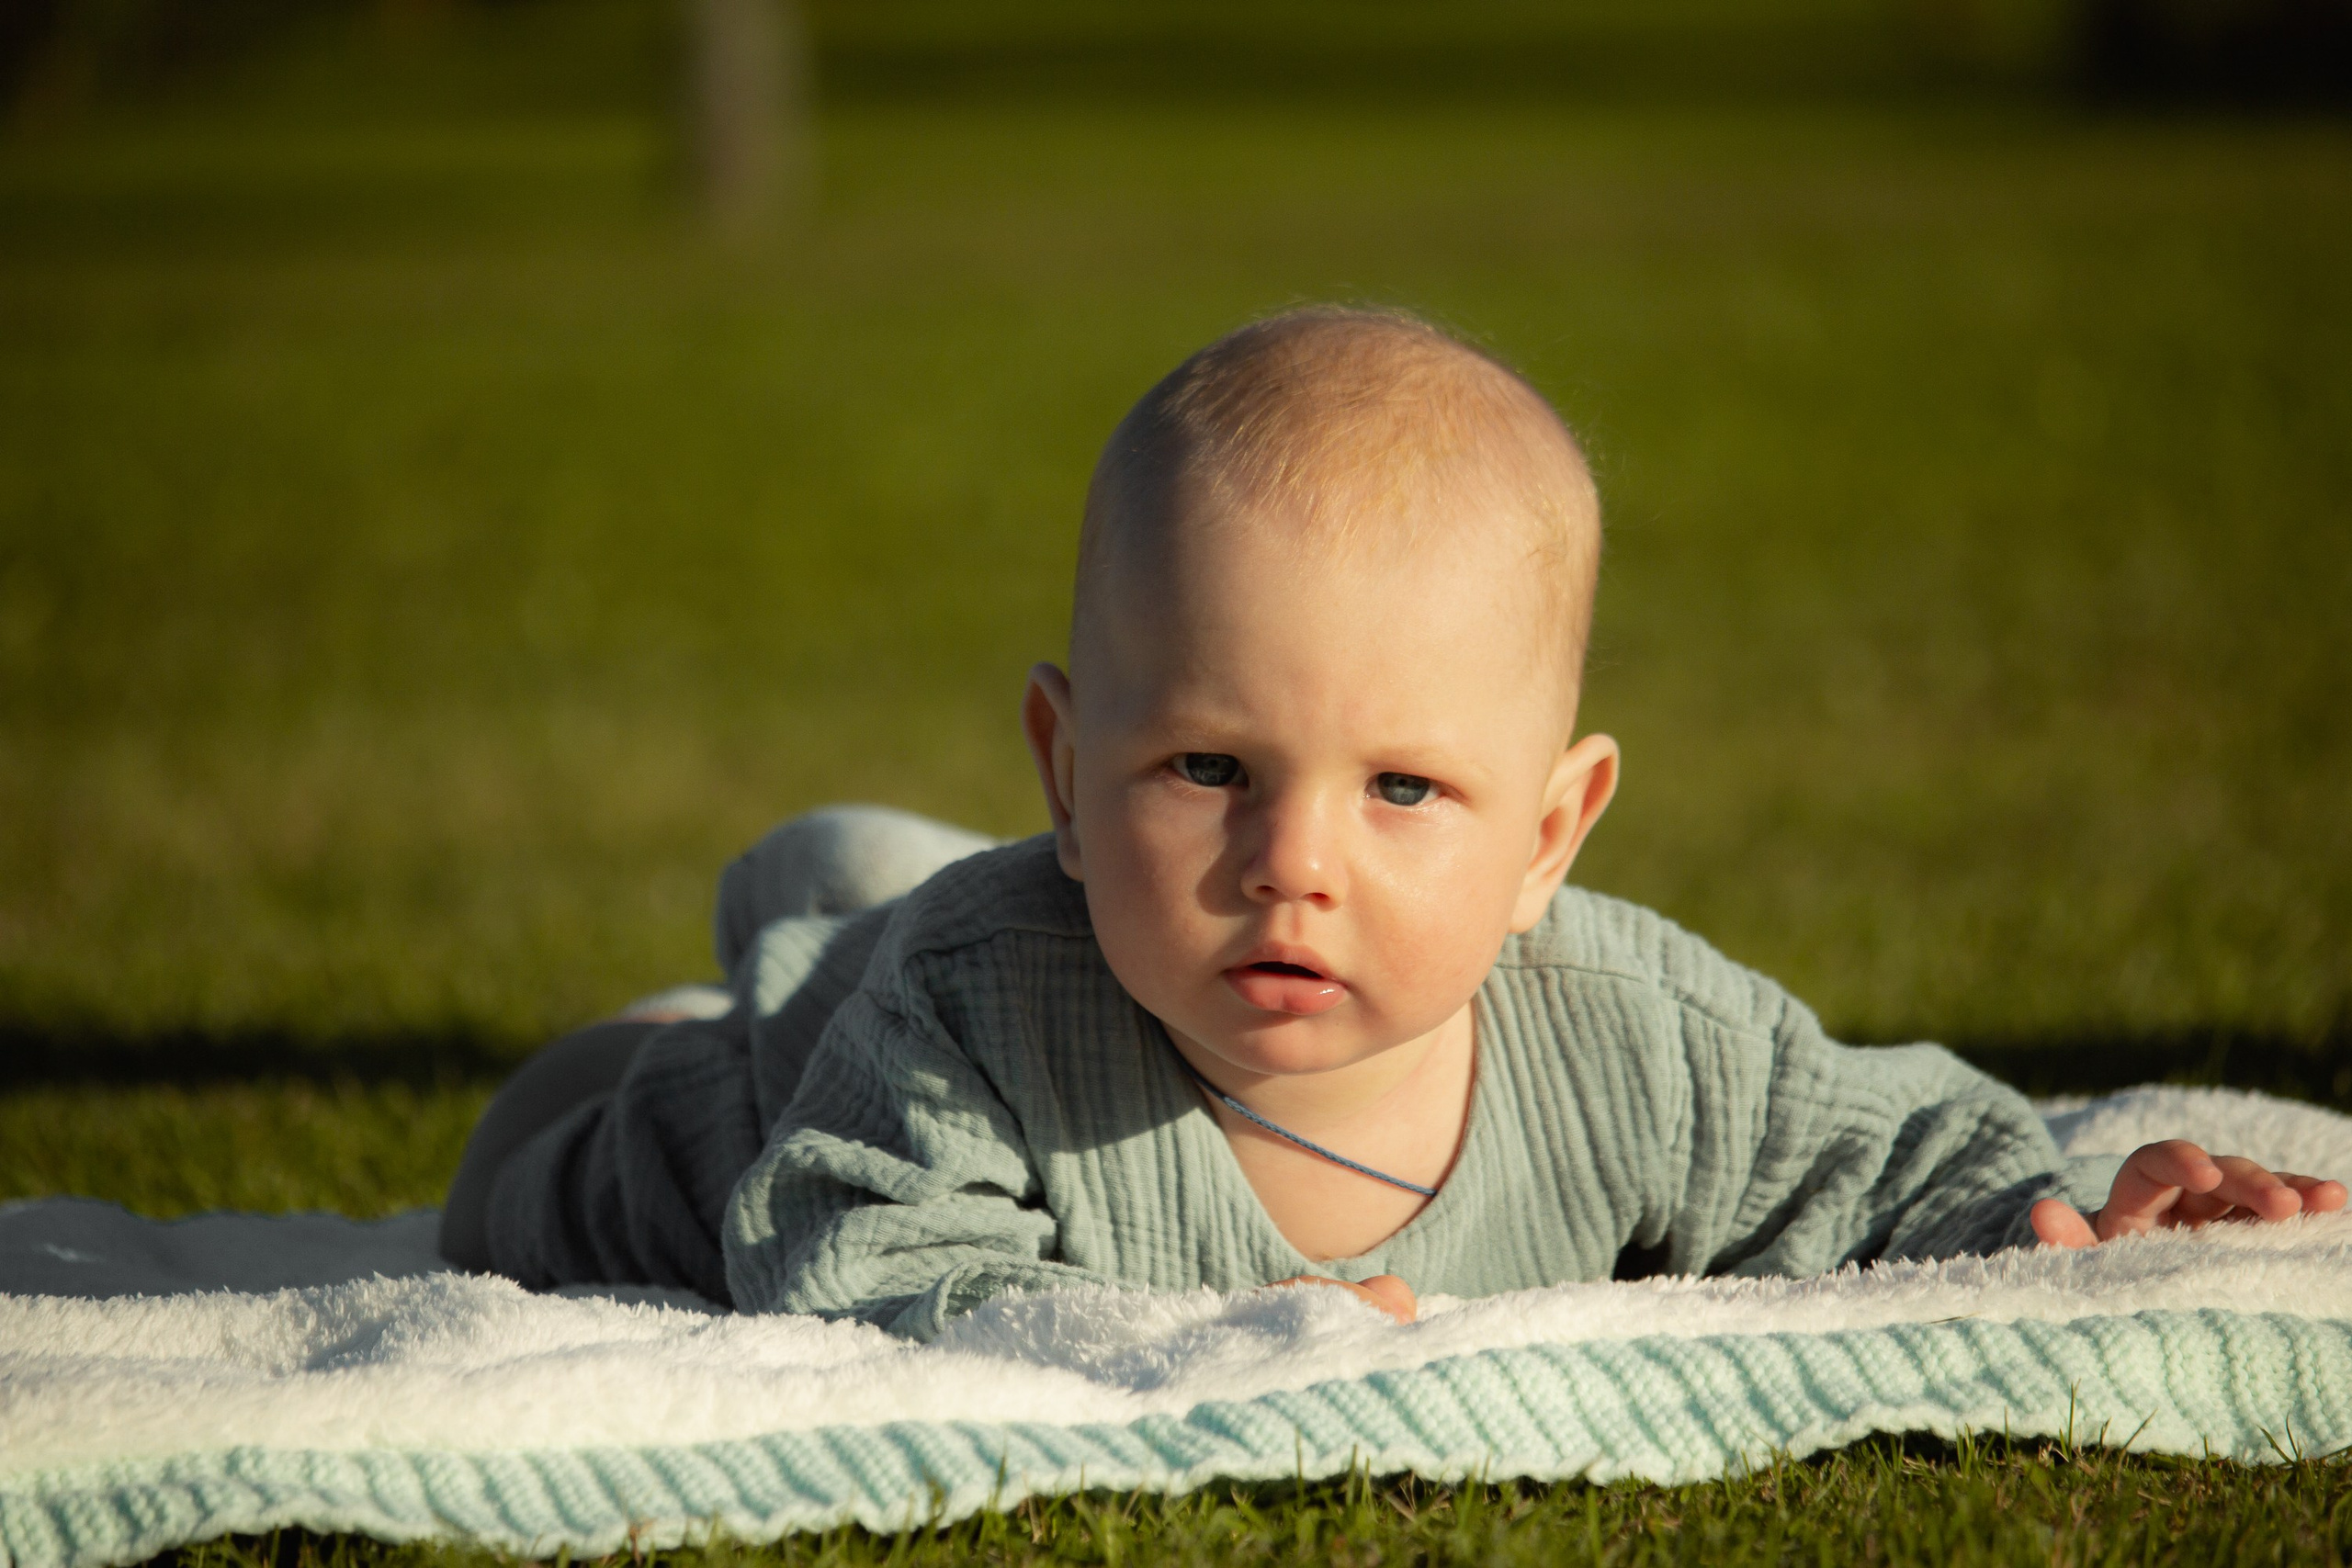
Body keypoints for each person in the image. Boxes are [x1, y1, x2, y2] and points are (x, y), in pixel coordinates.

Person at [440, 307, 2345, 1334]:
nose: (1292, 860)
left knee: (887, 897)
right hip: (723, 1113)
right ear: (1065, 760)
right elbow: (845, 1260)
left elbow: (1888, 1158)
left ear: (1547, 834)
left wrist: (2085, 1210)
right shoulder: (973, 1009)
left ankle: (848, 876)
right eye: (1205, 766)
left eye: (1406, 789)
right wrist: (1174, 1337)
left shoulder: (1631, 1037)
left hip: (987, 914)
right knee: (536, 1160)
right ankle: (763, 960)